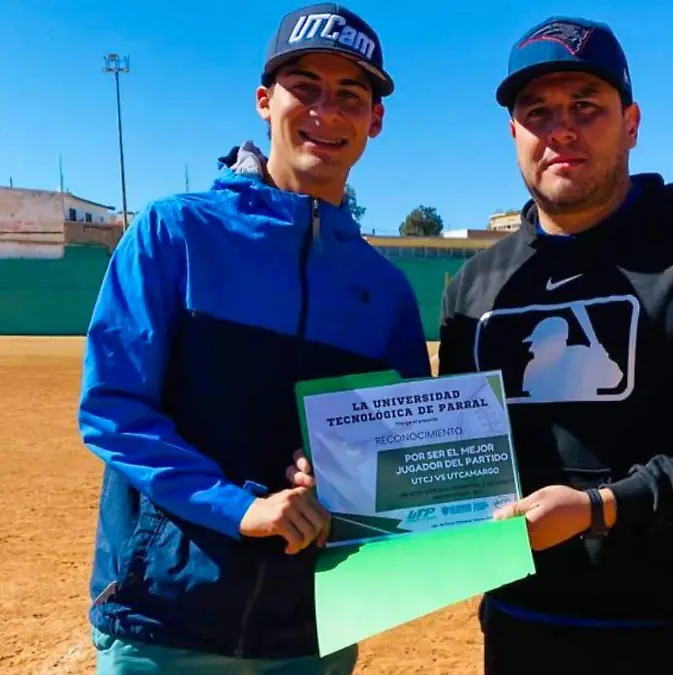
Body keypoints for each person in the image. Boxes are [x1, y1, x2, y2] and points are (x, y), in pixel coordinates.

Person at [76, 4, 430, 673]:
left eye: (350, 95)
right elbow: (114, 410)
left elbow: (398, 453)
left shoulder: (385, 292)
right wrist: (243, 508)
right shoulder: (173, 233)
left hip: (311, 630)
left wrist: (345, 473)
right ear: (266, 102)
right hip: (166, 622)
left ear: (374, 121)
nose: (326, 110)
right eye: (306, 87)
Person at [440, 15, 673, 674]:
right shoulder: (475, 286)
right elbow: (455, 452)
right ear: (513, 132)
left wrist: (602, 507)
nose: (561, 128)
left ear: (631, 122)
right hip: (516, 625)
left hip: (662, 630)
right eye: (537, 111)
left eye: (586, 106)